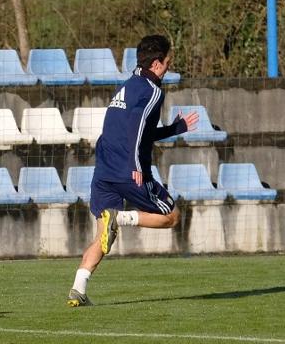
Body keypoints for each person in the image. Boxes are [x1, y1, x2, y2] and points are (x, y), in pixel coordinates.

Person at [67, 34, 200, 307]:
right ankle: (122, 218)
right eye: (167, 62)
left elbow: (139, 131)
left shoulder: (126, 87)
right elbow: (137, 128)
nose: (168, 67)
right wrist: (135, 166)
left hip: (104, 172)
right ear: (156, 64)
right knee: (172, 216)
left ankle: (78, 287)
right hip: (129, 171)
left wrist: (176, 128)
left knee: (104, 235)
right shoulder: (152, 91)